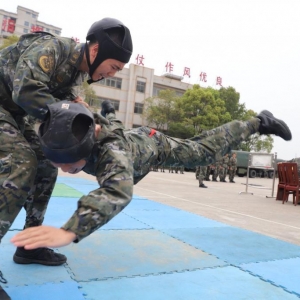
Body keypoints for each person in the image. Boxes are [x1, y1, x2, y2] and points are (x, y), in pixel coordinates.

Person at [10, 100, 292, 253]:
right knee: (112, 126)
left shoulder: (113, 155)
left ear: (84, 149)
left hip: (153, 147)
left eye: (70, 165)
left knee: (203, 152)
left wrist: (70, 230)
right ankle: (110, 112)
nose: (64, 170)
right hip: (123, 136)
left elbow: (116, 192)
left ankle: (258, 122)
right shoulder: (67, 129)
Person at [0, 17, 132, 298]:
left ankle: (29, 245)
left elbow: (69, 106)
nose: (113, 73)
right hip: (7, 105)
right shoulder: (53, 49)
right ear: (95, 52)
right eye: (114, 66)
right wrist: (73, 114)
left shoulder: (76, 76)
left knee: (47, 163)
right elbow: (26, 91)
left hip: (13, 114)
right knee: (20, 161)